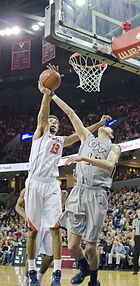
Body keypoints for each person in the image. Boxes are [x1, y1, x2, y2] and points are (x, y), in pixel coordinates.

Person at [26, 64, 111, 286]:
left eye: (56, 122)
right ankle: (32, 273)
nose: (53, 123)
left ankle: (55, 275)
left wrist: (100, 124)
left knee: (55, 228)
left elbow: (80, 132)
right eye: (51, 122)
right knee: (32, 232)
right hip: (34, 182)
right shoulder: (40, 134)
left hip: (51, 184)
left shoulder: (60, 141)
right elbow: (43, 116)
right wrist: (46, 94)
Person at [38, 88, 121, 286]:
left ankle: (94, 279)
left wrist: (83, 157)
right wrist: (52, 94)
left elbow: (110, 165)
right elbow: (71, 113)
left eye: (108, 128)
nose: (105, 127)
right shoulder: (87, 137)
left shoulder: (114, 147)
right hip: (79, 191)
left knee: (91, 248)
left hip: (97, 195)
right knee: (73, 245)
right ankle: (83, 268)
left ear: (111, 135)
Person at [15, 188, 53, 286]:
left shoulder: (51, 187)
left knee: (51, 254)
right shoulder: (26, 190)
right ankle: (25, 281)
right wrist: (26, 217)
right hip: (35, 223)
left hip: (49, 223)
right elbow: (18, 206)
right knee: (32, 255)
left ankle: (39, 278)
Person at [132, 209, 140, 274]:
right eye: (138, 212)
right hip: (137, 237)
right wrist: (132, 239)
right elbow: (133, 230)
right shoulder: (135, 221)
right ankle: (135, 269)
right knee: (136, 254)